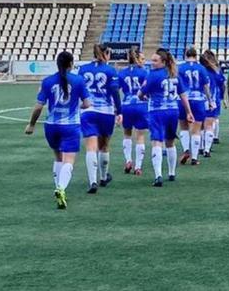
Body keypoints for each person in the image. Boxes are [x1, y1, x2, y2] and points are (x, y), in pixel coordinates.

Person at [24, 51, 91, 209]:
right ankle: (61, 189)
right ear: (71, 64)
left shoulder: (47, 81)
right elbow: (87, 104)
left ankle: (59, 189)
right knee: (69, 159)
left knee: (57, 157)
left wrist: (31, 124)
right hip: (70, 125)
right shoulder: (78, 80)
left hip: (52, 126)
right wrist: (77, 106)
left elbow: (39, 106)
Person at [139, 48, 193, 187]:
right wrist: (188, 112)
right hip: (172, 110)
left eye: (155, 60)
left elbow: (141, 94)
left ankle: (158, 175)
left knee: (157, 141)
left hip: (156, 111)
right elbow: (183, 95)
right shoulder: (174, 74)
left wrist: (144, 95)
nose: (152, 63)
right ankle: (171, 172)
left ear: (163, 61)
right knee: (170, 142)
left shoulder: (152, 75)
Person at [77, 44, 122, 193]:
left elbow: (78, 88)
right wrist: (119, 111)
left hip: (88, 111)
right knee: (104, 146)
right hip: (106, 111)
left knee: (90, 147)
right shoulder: (110, 70)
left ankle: (92, 182)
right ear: (107, 54)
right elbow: (115, 91)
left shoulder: (83, 69)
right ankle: (103, 177)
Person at [177, 47, 214, 166]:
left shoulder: (180, 68)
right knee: (196, 130)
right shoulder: (201, 68)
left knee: (183, 127)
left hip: (183, 99)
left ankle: (186, 149)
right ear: (196, 55)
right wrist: (210, 101)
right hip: (198, 100)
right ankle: (194, 157)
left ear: (186, 55)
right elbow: (206, 87)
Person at [118, 47, 149, 176]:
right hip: (141, 105)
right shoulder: (144, 72)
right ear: (137, 59)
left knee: (127, 134)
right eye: (142, 58)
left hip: (126, 105)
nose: (144, 61)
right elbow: (147, 90)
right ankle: (138, 166)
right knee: (140, 136)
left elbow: (116, 90)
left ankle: (128, 160)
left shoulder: (121, 73)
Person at [200, 50, 226, 157]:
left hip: (200, 100)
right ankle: (207, 149)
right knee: (210, 124)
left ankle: (200, 147)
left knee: (200, 126)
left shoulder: (199, 70)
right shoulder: (216, 71)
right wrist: (223, 97)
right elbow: (222, 84)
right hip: (212, 100)